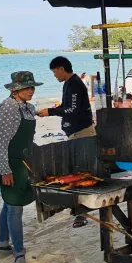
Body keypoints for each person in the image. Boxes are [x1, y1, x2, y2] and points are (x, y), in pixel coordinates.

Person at [0, 71, 43, 263]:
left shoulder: (28, 108)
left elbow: (27, 138)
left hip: (24, 163)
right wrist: (5, 170)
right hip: (9, 164)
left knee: (9, 203)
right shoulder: (8, 108)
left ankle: (3, 245)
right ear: (15, 89)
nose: (31, 90)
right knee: (15, 208)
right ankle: (19, 254)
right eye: (27, 87)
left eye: (32, 87)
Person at [40, 56, 96, 228]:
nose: (54, 75)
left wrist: (50, 111)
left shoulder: (74, 84)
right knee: (78, 169)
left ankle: (82, 211)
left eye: (54, 71)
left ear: (61, 68)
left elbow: (71, 110)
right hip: (74, 132)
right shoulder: (69, 83)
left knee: (81, 171)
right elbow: (67, 107)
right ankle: (79, 208)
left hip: (81, 132)